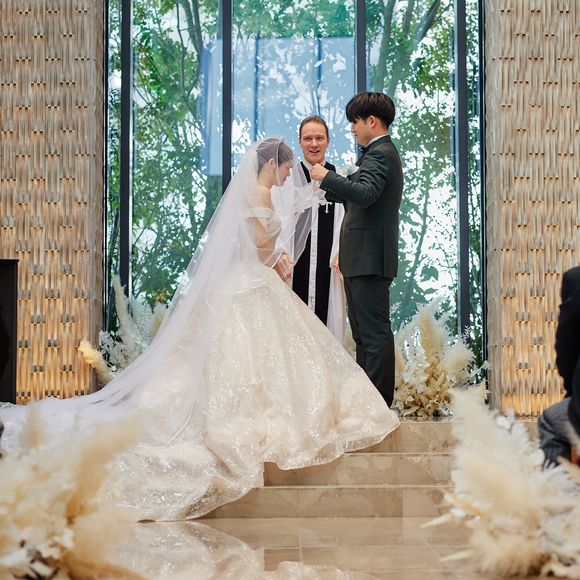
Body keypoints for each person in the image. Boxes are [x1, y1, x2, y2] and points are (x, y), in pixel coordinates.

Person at [0, 138, 399, 521]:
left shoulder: (252, 194)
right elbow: (260, 248)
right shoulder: (260, 195)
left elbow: (252, 245)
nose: (286, 175)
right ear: (271, 164)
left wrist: (276, 250)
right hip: (252, 284)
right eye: (284, 167)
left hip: (245, 281)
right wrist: (277, 252)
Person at [311, 92, 403, 407]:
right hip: (361, 259)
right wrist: (332, 187)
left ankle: (378, 407)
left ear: (371, 121)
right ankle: (368, 406)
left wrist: (328, 176)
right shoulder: (376, 154)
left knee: (373, 335)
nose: (352, 129)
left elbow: (365, 193)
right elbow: (363, 197)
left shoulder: (381, 154)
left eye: (355, 122)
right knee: (363, 336)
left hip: (369, 259)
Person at [288, 116, 346, 342]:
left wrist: (342, 252)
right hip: (294, 269)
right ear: (300, 142)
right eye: (308, 138)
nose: (314, 144)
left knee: (328, 331)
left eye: (319, 138)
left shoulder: (340, 179)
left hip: (329, 268)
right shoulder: (287, 179)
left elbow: (347, 221)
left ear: (328, 141)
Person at [538, 266, 580, 466]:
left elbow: (566, 348)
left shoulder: (576, 279)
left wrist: (573, 393)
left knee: (550, 420)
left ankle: (558, 486)